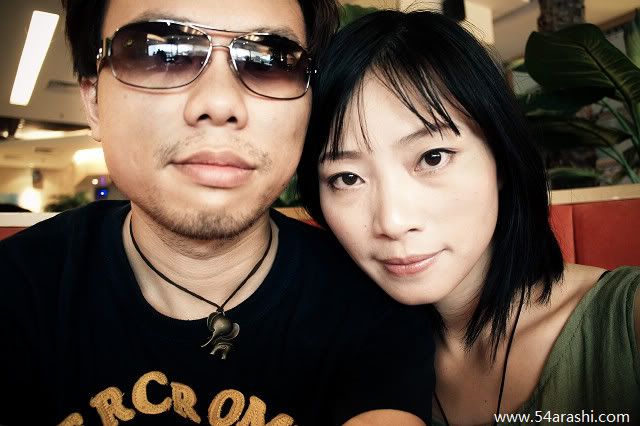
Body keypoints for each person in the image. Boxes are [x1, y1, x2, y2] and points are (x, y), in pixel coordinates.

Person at [0, 2, 436, 425]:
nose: (221, 102)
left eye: (269, 60)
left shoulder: (371, 303)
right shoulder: (18, 286)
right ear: (94, 101)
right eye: (161, 52)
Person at [297, 9, 640, 426]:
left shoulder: (625, 323)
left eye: (432, 157)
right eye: (347, 178)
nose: (392, 221)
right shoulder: (347, 356)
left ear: (501, 158)